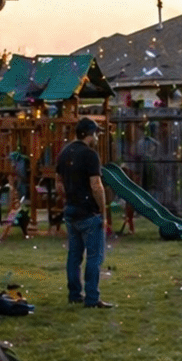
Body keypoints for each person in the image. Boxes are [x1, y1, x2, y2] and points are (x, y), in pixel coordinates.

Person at [56, 117, 114, 308]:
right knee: (94, 257)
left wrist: (68, 198)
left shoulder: (65, 153)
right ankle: (91, 298)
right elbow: (96, 185)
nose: (97, 137)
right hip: (89, 212)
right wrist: (103, 211)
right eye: (96, 133)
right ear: (90, 134)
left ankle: (74, 294)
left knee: (74, 255)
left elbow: (58, 182)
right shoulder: (90, 155)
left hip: (71, 211)